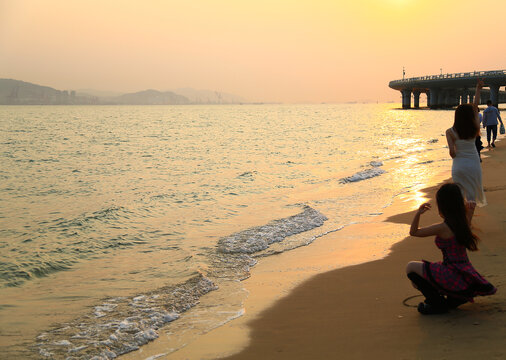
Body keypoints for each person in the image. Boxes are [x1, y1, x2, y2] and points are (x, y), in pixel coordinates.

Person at [405, 183, 497, 315]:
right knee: (420, 279)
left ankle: (436, 304)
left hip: (452, 275)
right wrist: (470, 211)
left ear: (443, 206)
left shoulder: (443, 227)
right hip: (466, 277)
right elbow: (467, 222)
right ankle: (449, 300)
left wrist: (418, 214)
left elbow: (414, 232)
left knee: (410, 267)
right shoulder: (463, 222)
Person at [446, 80, 486, 212]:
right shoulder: (474, 127)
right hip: (473, 165)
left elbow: (452, 153)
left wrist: (454, 149)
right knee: (471, 196)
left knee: (460, 195)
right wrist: (478, 88)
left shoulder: (450, 132)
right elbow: (475, 106)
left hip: (459, 166)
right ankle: (468, 222)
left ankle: (460, 219)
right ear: (470, 116)